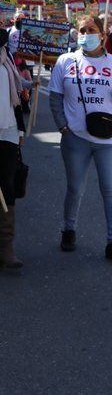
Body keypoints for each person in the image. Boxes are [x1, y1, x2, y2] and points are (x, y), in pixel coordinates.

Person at [48, 15, 112, 264]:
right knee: (75, 188)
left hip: (109, 139)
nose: (86, 33)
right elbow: (55, 98)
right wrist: (63, 127)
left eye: (91, 29)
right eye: (82, 29)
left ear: (103, 35)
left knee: (110, 191)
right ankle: (69, 230)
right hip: (75, 139)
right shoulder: (66, 61)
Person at [0, 27, 34, 269]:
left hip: (8, 130)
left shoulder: (6, 55)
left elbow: (14, 83)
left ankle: (5, 246)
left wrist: (30, 84)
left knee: (6, 185)